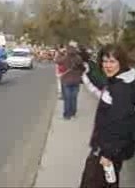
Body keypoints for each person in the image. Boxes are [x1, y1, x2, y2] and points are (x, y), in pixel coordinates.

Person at [80, 44, 135, 188]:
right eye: (104, 61)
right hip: (109, 148)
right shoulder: (119, 81)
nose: (107, 66)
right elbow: (104, 92)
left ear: (121, 62)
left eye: (112, 62)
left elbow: (122, 124)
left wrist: (108, 154)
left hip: (106, 151)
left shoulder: (121, 88)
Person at [55, 44, 85, 120]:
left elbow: (57, 61)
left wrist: (60, 52)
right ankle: (73, 114)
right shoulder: (78, 58)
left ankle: (66, 115)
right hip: (76, 80)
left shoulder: (65, 58)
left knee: (67, 99)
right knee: (74, 98)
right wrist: (79, 74)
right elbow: (83, 68)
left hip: (66, 80)